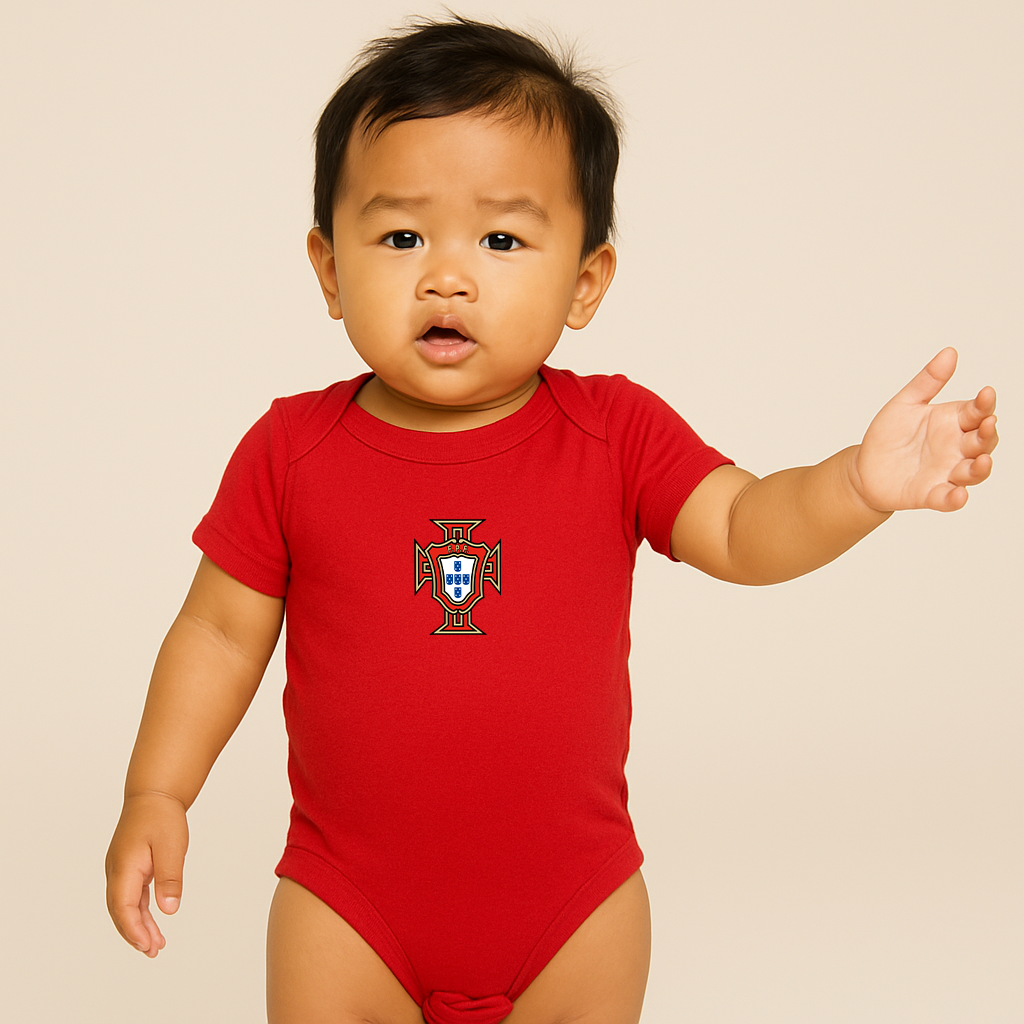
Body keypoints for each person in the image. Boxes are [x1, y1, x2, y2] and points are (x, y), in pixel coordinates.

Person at [104, 14, 998, 1024]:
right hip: (346, 904)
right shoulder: (289, 451)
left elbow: (744, 526)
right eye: (401, 236)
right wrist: (157, 792)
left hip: (575, 911)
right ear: (328, 268)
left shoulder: (615, 432)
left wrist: (855, 486)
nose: (446, 275)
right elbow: (219, 635)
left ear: (584, 281)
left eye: (500, 239)